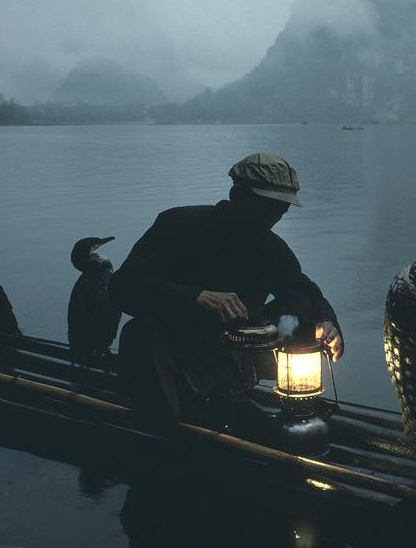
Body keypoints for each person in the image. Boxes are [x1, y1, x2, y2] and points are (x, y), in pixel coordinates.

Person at [109, 153, 343, 427]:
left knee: (298, 301)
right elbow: (122, 287)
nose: (273, 216)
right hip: (171, 353)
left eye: (281, 209)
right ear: (237, 195)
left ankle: (265, 394)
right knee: (141, 332)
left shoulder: (272, 248)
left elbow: (307, 292)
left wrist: (327, 322)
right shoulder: (180, 225)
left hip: (230, 359)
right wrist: (196, 297)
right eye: (265, 206)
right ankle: (172, 423)